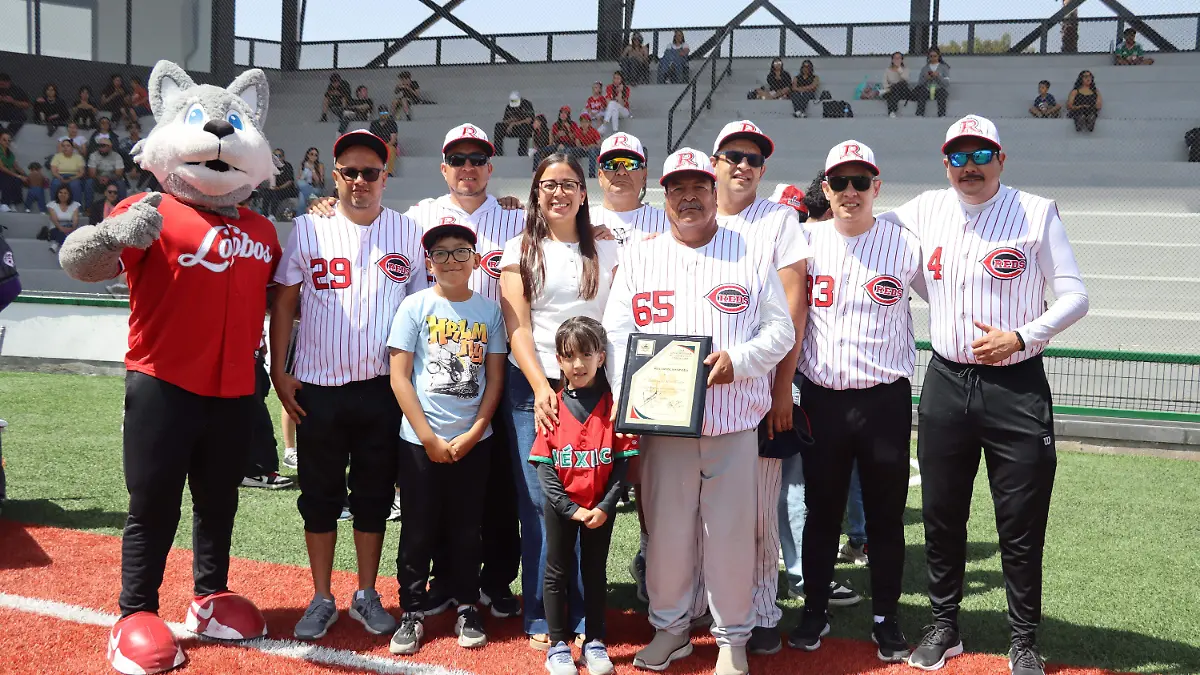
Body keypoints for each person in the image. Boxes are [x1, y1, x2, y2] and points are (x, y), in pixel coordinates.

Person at [881, 115, 1089, 675]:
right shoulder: (925, 208)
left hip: (1016, 385)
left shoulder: (1036, 210)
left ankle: (1023, 640)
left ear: (1001, 159)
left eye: (980, 155)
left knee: (1020, 520)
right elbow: (859, 226)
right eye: (957, 156)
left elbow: (1075, 295)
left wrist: (1022, 335)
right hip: (946, 381)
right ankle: (944, 625)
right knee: (942, 515)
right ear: (944, 162)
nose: (968, 167)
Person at [604, 148, 794, 675]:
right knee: (665, 531)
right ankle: (671, 629)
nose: (688, 197)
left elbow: (780, 331)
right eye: (677, 189)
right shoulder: (641, 257)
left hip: (732, 420)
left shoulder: (751, 251)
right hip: (662, 426)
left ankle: (733, 636)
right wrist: (638, 396)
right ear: (664, 197)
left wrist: (741, 359)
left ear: (715, 192)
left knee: (732, 533)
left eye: (698, 187)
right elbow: (618, 334)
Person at [270, 130, 427, 643]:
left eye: (371, 172)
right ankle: (321, 595)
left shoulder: (407, 232)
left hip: (383, 389)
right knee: (318, 496)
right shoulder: (308, 228)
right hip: (318, 387)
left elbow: (421, 310)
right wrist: (278, 367)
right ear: (334, 177)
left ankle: (365, 592)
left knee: (374, 497)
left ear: (386, 176)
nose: (361, 181)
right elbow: (286, 302)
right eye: (350, 172)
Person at [784, 141, 917, 663]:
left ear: (877, 188)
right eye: (840, 182)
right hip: (822, 399)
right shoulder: (803, 241)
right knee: (822, 513)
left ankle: (887, 617)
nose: (850, 192)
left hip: (884, 400)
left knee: (885, 517)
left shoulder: (904, 245)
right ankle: (814, 608)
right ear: (825, 189)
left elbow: (951, 292)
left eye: (861, 182)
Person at [402, 123, 525, 621]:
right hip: (437, 369)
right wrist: (326, 204)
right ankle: (442, 584)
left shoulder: (514, 218)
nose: (468, 168)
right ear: (443, 167)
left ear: (490, 169)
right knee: (435, 497)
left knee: (496, 488)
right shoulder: (418, 218)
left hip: (503, 366)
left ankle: (494, 581)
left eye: (478, 160)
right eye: (458, 159)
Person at [498, 153, 619, 651]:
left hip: (596, 391)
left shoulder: (608, 249)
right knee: (542, 500)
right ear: (535, 191)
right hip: (537, 387)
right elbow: (517, 326)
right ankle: (543, 615)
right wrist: (543, 386)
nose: (559, 193)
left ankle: (586, 613)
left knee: (590, 499)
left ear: (584, 192)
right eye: (548, 184)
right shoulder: (519, 248)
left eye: (569, 184)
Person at [703, 121, 812, 656]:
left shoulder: (779, 219)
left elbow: (795, 306)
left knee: (758, 510)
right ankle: (702, 604)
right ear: (714, 162)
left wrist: (781, 391)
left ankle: (763, 606)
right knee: (688, 510)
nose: (742, 165)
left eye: (753, 158)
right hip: (690, 395)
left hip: (756, 393)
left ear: (763, 169)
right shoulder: (687, 208)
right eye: (733, 156)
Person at [386, 221, 507, 655]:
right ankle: (413, 609)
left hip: (475, 441)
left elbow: (494, 380)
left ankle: (467, 603)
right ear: (429, 262)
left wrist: (475, 432)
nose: (451, 260)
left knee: (467, 527)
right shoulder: (414, 306)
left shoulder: (489, 312)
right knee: (418, 527)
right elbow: (400, 378)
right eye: (442, 253)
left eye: (460, 252)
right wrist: (427, 437)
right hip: (420, 441)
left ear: (476, 260)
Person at [535, 317, 634, 675]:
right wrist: (570, 509)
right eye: (569, 356)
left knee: (594, 572)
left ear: (601, 357)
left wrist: (605, 507)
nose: (578, 364)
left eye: (586, 355)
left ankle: (595, 640)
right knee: (556, 572)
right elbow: (544, 467)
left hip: (599, 510)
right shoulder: (552, 407)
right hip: (563, 509)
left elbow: (622, 466)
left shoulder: (614, 406)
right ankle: (558, 644)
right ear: (559, 360)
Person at [242, 329, 295, 490]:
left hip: (248, 342)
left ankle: (254, 468)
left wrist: (260, 335)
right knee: (251, 408)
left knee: (253, 404)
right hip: (234, 343)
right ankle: (254, 470)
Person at [494, 91, 535, 157]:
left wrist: (514, 123)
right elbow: (505, 121)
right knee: (498, 125)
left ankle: (522, 151)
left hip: (525, 129)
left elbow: (529, 120)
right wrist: (512, 121)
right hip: (512, 129)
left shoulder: (527, 104)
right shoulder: (509, 106)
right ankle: (498, 151)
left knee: (524, 126)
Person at [87, 135, 126, 203]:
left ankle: (122, 207)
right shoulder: (93, 155)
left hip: (112, 179)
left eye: (103, 146)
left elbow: (119, 174)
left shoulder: (117, 156)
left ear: (109, 147)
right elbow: (91, 173)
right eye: (99, 146)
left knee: (121, 183)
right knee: (89, 182)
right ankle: (88, 208)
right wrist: (99, 178)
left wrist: (108, 178)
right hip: (98, 179)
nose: (101, 148)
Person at [49, 140, 86, 207]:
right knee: (55, 183)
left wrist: (72, 178)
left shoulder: (78, 157)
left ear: (72, 148)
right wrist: (60, 177)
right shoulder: (57, 156)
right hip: (60, 176)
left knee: (75, 185)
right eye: (63, 146)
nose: (65, 148)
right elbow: (54, 171)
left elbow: (81, 172)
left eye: (68, 146)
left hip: (74, 176)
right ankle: (54, 207)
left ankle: (76, 208)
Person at [260, 148, 296, 219]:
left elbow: (290, 181)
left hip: (287, 189)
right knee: (266, 192)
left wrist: (279, 188)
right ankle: (264, 215)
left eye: (279, 155)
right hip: (274, 188)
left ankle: (272, 215)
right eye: (275, 155)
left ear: (283, 157)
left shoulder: (287, 166)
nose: (277, 157)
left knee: (276, 193)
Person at [916, 48, 950, 118]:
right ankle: (920, 114)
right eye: (931, 56)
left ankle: (941, 114)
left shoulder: (944, 67)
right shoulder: (924, 68)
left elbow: (946, 83)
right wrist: (926, 78)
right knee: (921, 92)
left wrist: (938, 76)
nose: (933, 58)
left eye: (935, 56)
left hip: (939, 89)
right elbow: (919, 83)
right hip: (927, 89)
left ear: (938, 56)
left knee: (942, 93)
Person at [45, 185, 80, 253]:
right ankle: (70, 250)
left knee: (73, 233)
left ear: (69, 195)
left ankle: (56, 244)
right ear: (57, 194)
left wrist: (72, 228)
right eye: (60, 192)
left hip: (70, 228)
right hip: (55, 228)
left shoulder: (75, 205)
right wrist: (62, 228)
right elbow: (54, 220)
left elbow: (75, 219)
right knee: (61, 233)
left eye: (65, 193)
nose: (62, 195)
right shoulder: (52, 205)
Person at [0, 131, 25, 212]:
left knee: (18, 180)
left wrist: (26, 176)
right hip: (2, 173)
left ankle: (12, 202)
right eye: (4, 140)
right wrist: (17, 175)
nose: (7, 142)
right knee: (8, 176)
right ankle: (4, 203)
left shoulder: (10, 154)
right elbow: (2, 168)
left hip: (6, 174)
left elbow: (16, 166)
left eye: (9, 140)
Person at [882, 52, 912, 118]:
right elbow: (884, 84)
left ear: (902, 60)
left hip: (903, 92)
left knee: (901, 84)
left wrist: (899, 68)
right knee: (893, 91)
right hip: (891, 92)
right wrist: (890, 88)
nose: (897, 60)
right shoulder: (887, 70)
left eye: (899, 58)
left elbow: (906, 79)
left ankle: (891, 111)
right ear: (892, 60)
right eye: (895, 58)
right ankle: (892, 112)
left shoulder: (905, 69)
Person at [574, 113, 602, 179]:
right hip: (583, 149)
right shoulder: (578, 130)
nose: (584, 124)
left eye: (586, 122)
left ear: (589, 123)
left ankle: (591, 175)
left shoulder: (594, 131)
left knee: (592, 151)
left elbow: (599, 145)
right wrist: (582, 147)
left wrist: (592, 145)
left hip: (594, 150)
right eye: (582, 122)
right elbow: (577, 143)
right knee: (570, 150)